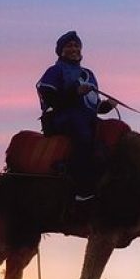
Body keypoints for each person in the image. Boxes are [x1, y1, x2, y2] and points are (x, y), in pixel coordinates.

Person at [35, 30, 117, 201]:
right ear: (61, 50)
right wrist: (75, 92)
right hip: (63, 119)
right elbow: (50, 99)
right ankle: (83, 189)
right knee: (84, 136)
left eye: (76, 45)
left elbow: (93, 106)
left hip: (86, 118)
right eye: (69, 46)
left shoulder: (88, 74)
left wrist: (108, 105)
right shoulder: (55, 71)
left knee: (115, 133)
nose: (74, 49)